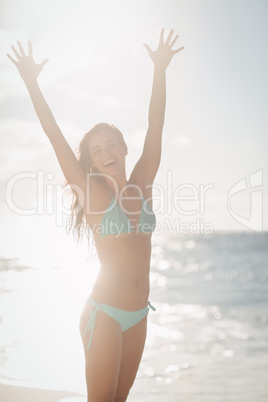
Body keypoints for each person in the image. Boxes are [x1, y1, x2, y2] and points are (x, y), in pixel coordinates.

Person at [7, 28, 184, 402]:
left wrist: (160, 70)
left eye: (111, 144)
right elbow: (55, 135)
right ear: (91, 160)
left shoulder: (142, 183)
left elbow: (156, 126)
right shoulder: (91, 194)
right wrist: (32, 84)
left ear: (122, 147)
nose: (106, 152)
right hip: (103, 314)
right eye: (97, 149)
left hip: (139, 314)